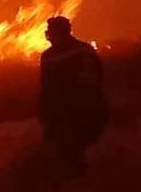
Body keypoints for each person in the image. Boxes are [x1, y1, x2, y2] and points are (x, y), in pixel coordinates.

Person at [39, 16, 107, 177]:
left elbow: (48, 88)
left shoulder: (52, 56)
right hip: (77, 110)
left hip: (73, 112)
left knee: (72, 153)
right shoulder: (85, 50)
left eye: (52, 32)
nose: (49, 36)